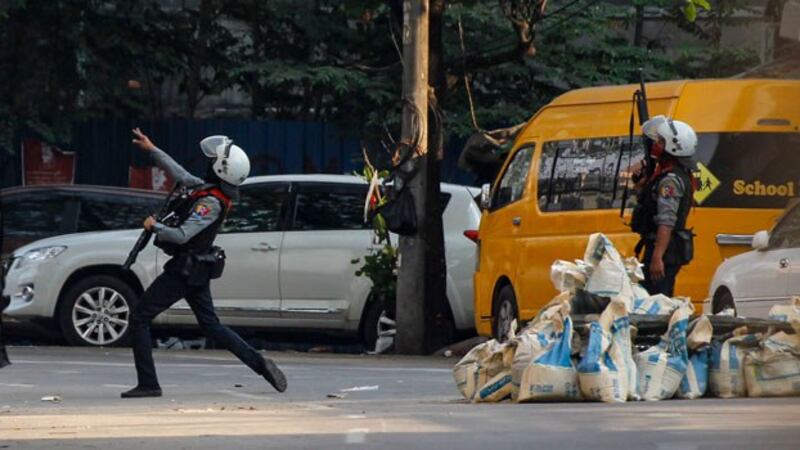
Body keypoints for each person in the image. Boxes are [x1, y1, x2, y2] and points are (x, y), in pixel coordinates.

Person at [121, 128, 287, 398]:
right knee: (211, 326)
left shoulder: (211, 204)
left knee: (140, 317)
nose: (208, 163)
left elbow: (183, 234)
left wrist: (155, 227)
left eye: (213, 162)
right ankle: (259, 364)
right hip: (196, 269)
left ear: (220, 171)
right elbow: (179, 173)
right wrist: (152, 149)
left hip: (185, 271)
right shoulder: (206, 189)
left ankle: (148, 383)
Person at [631, 115, 698, 297]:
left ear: (672, 146)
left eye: (661, 141)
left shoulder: (670, 181)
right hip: (663, 248)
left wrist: (657, 257)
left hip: (665, 251)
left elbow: (666, 220)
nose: (656, 144)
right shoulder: (667, 175)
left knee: (655, 300)